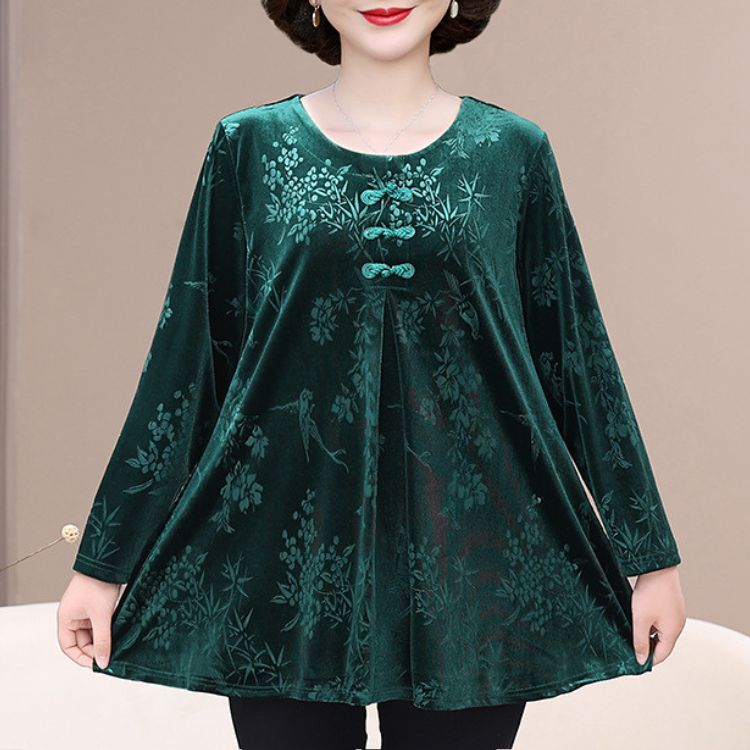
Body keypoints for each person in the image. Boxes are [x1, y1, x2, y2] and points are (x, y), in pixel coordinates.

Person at [57, 1, 687, 748]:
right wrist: (103, 564)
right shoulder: (247, 147)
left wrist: (650, 558)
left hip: (474, 567)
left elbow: (575, 356)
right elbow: (187, 360)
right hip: (280, 563)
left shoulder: (512, 154)